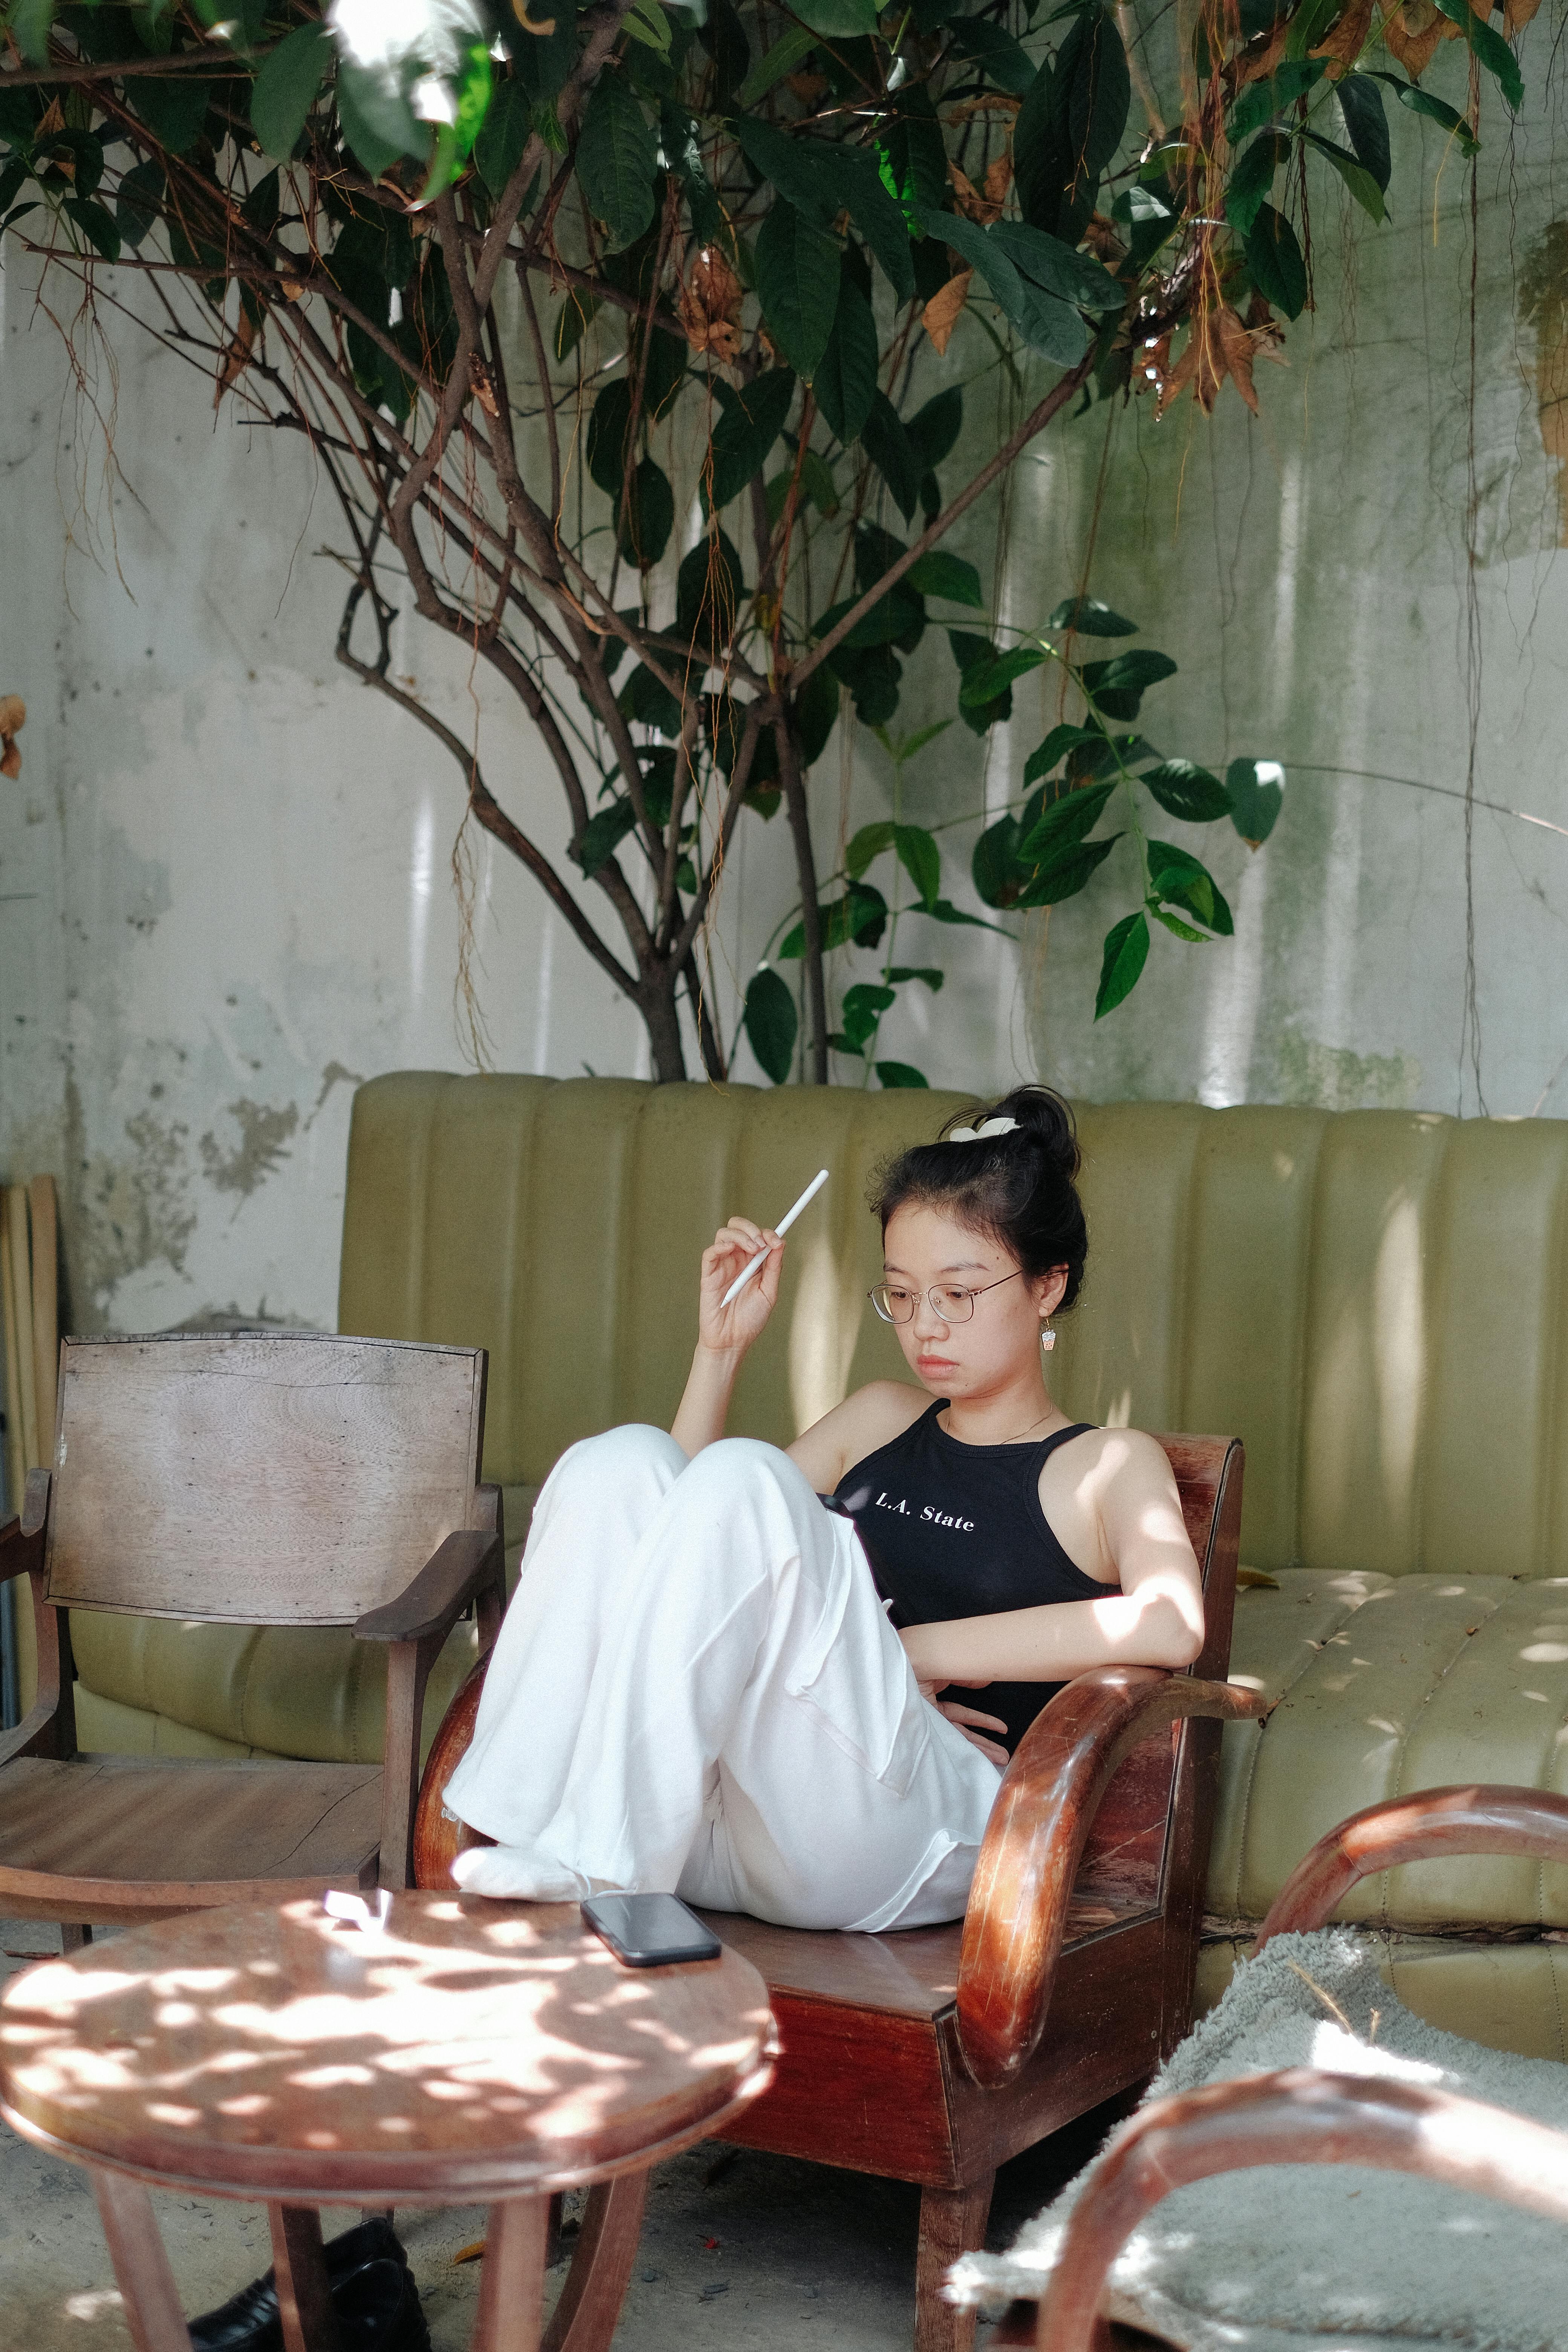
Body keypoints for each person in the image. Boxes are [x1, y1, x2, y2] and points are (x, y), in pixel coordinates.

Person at [445, 1085, 1205, 1932]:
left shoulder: (1104, 1465)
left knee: (746, 1474)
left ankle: (599, 1866)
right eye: (902, 1295)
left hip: (915, 1834)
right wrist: (718, 1351)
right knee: (620, 1462)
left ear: (1046, 1287)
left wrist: (903, 1655)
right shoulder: (879, 1417)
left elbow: (1171, 1625)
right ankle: (529, 1824)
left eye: (958, 1294)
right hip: (733, 1821)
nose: (925, 1327)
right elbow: (682, 1537)